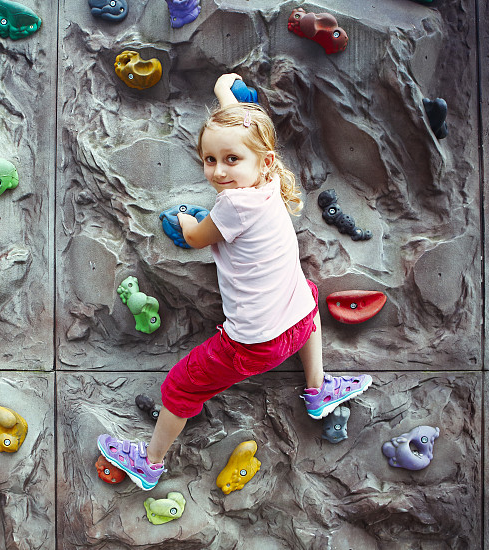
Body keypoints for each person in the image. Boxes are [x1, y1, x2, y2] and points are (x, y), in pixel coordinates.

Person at [97, 74, 372, 491]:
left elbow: (193, 237)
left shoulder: (233, 205)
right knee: (308, 294)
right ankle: (317, 391)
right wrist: (225, 95)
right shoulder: (269, 184)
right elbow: (247, 131)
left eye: (230, 160)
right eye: (210, 160)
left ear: (261, 162)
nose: (218, 171)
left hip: (253, 343)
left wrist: (188, 219)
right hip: (296, 321)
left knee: (180, 387)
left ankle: (150, 463)